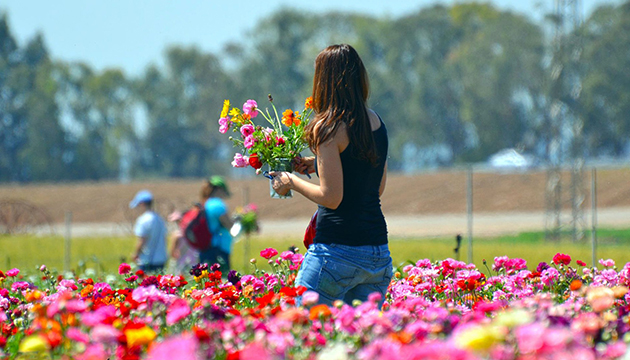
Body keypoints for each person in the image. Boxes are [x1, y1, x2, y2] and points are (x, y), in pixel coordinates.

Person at [270, 44, 392, 307]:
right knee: (360, 339)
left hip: (336, 252)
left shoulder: (328, 127)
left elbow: (332, 197)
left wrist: (291, 180)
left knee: (304, 330)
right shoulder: (377, 123)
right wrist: (318, 164)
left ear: (324, 82)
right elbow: (375, 186)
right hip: (377, 254)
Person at [199, 176, 234, 274]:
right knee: (221, 280)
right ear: (219, 189)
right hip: (218, 247)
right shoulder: (217, 204)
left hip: (206, 246)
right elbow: (228, 224)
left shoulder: (206, 203)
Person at [129, 190, 168, 273]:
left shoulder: (143, 220)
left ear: (142, 204)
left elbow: (142, 240)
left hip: (146, 260)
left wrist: (135, 254)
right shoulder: (159, 219)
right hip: (160, 259)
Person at [167, 211, 199, 275]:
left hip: (181, 264)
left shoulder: (176, 235)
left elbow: (172, 253)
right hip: (193, 262)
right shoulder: (192, 233)